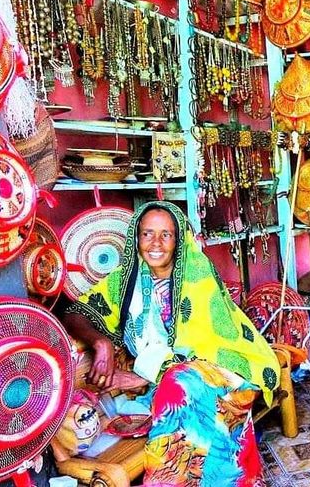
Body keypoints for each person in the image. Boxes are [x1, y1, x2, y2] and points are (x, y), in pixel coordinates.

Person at [62, 201, 279, 486]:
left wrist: (140, 376)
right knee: (179, 387)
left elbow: (205, 349)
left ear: (179, 240)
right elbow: (75, 313)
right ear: (136, 238)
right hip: (168, 377)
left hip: (226, 370)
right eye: (147, 233)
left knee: (181, 386)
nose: (156, 243)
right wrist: (101, 344)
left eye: (166, 235)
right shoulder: (126, 281)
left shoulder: (196, 275)